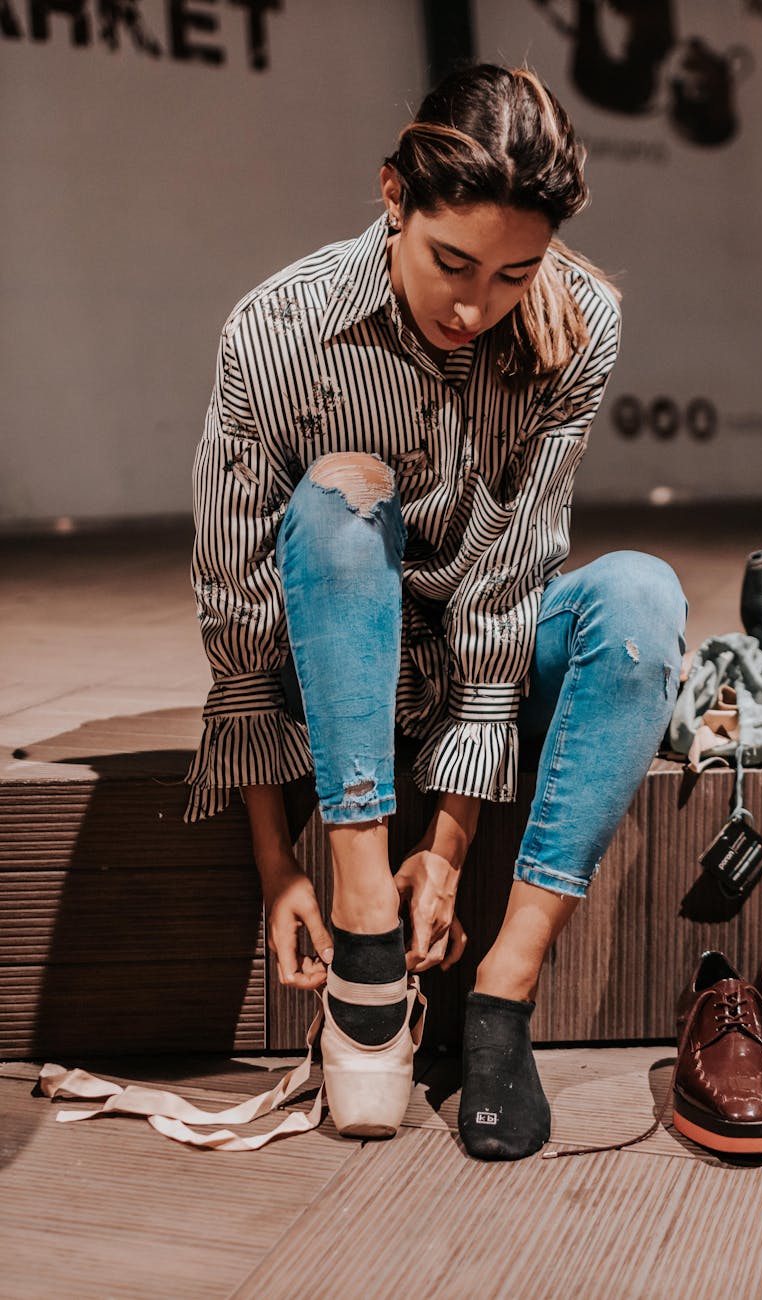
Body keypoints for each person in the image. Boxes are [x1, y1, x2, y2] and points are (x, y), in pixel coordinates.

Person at [185, 63, 687, 1160]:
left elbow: (510, 587)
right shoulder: (276, 331)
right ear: (392, 197)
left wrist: (452, 845)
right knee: (340, 492)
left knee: (644, 595)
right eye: (450, 262)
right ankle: (367, 929)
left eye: (514, 274)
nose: (475, 306)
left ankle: (502, 992)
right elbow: (239, 629)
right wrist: (284, 865)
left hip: (476, 670)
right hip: (338, 657)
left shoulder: (579, 321)